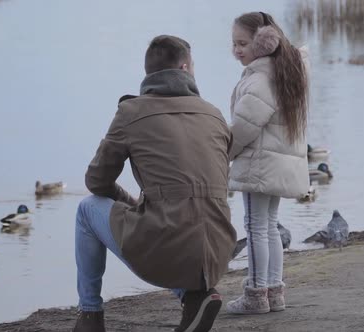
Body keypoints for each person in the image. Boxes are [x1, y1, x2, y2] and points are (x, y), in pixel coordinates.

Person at [73, 35, 237, 332]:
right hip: (219, 247)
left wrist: (131, 204)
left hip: (167, 246)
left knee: (87, 209)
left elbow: (96, 181)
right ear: (186, 68)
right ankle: (194, 296)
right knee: (182, 214)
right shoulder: (214, 114)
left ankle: (90, 317)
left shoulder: (131, 112)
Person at [226, 12, 310, 315]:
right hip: (275, 163)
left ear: (263, 43)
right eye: (233, 43)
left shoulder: (260, 78)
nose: (236, 49)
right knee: (270, 226)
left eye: (242, 43)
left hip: (259, 163)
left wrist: (224, 153)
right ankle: (274, 292)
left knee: (256, 227)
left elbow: (244, 126)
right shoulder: (286, 71)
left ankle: (255, 293)